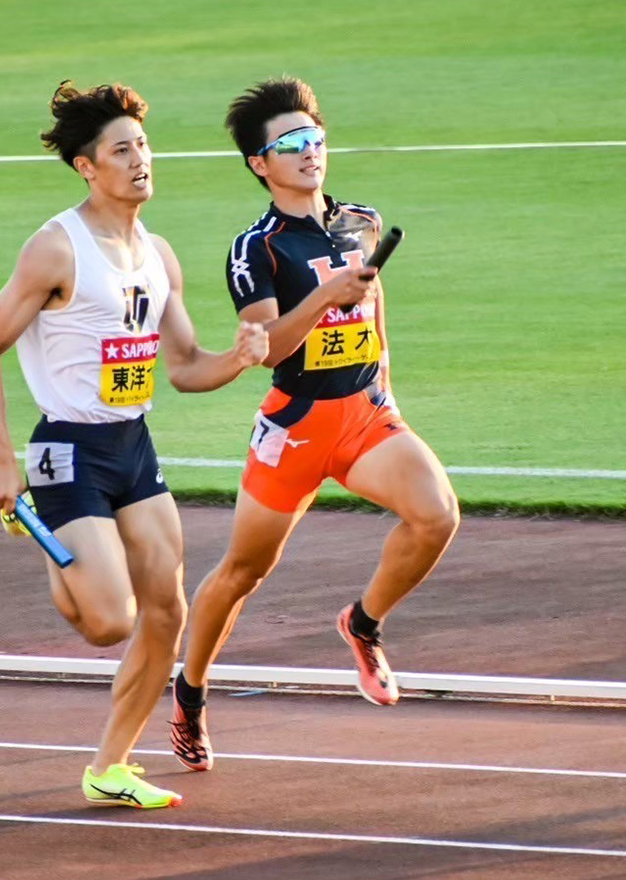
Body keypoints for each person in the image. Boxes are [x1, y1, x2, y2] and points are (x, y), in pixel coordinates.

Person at [0, 81, 268, 808]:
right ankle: (45, 533)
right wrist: (2, 457)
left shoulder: (157, 254)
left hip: (133, 445)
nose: (140, 160)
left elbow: (185, 366)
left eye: (143, 146)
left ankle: (111, 768)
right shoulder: (55, 248)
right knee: (109, 622)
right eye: (122, 150)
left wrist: (239, 358)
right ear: (87, 167)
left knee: (168, 613)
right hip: (66, 449)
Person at [170, 78, 459, 772]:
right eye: (291, 143)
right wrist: (327, 297)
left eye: (316, 139)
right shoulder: (256, 249)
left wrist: (387, 389)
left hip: (363, 413)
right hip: (296, 424)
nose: (309, 152)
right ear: (259, 164)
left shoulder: (360, 220)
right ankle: (190, 691)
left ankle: (362, 623)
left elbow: (375, 309)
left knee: (437, 516)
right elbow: (265, 349)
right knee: (244, 571)